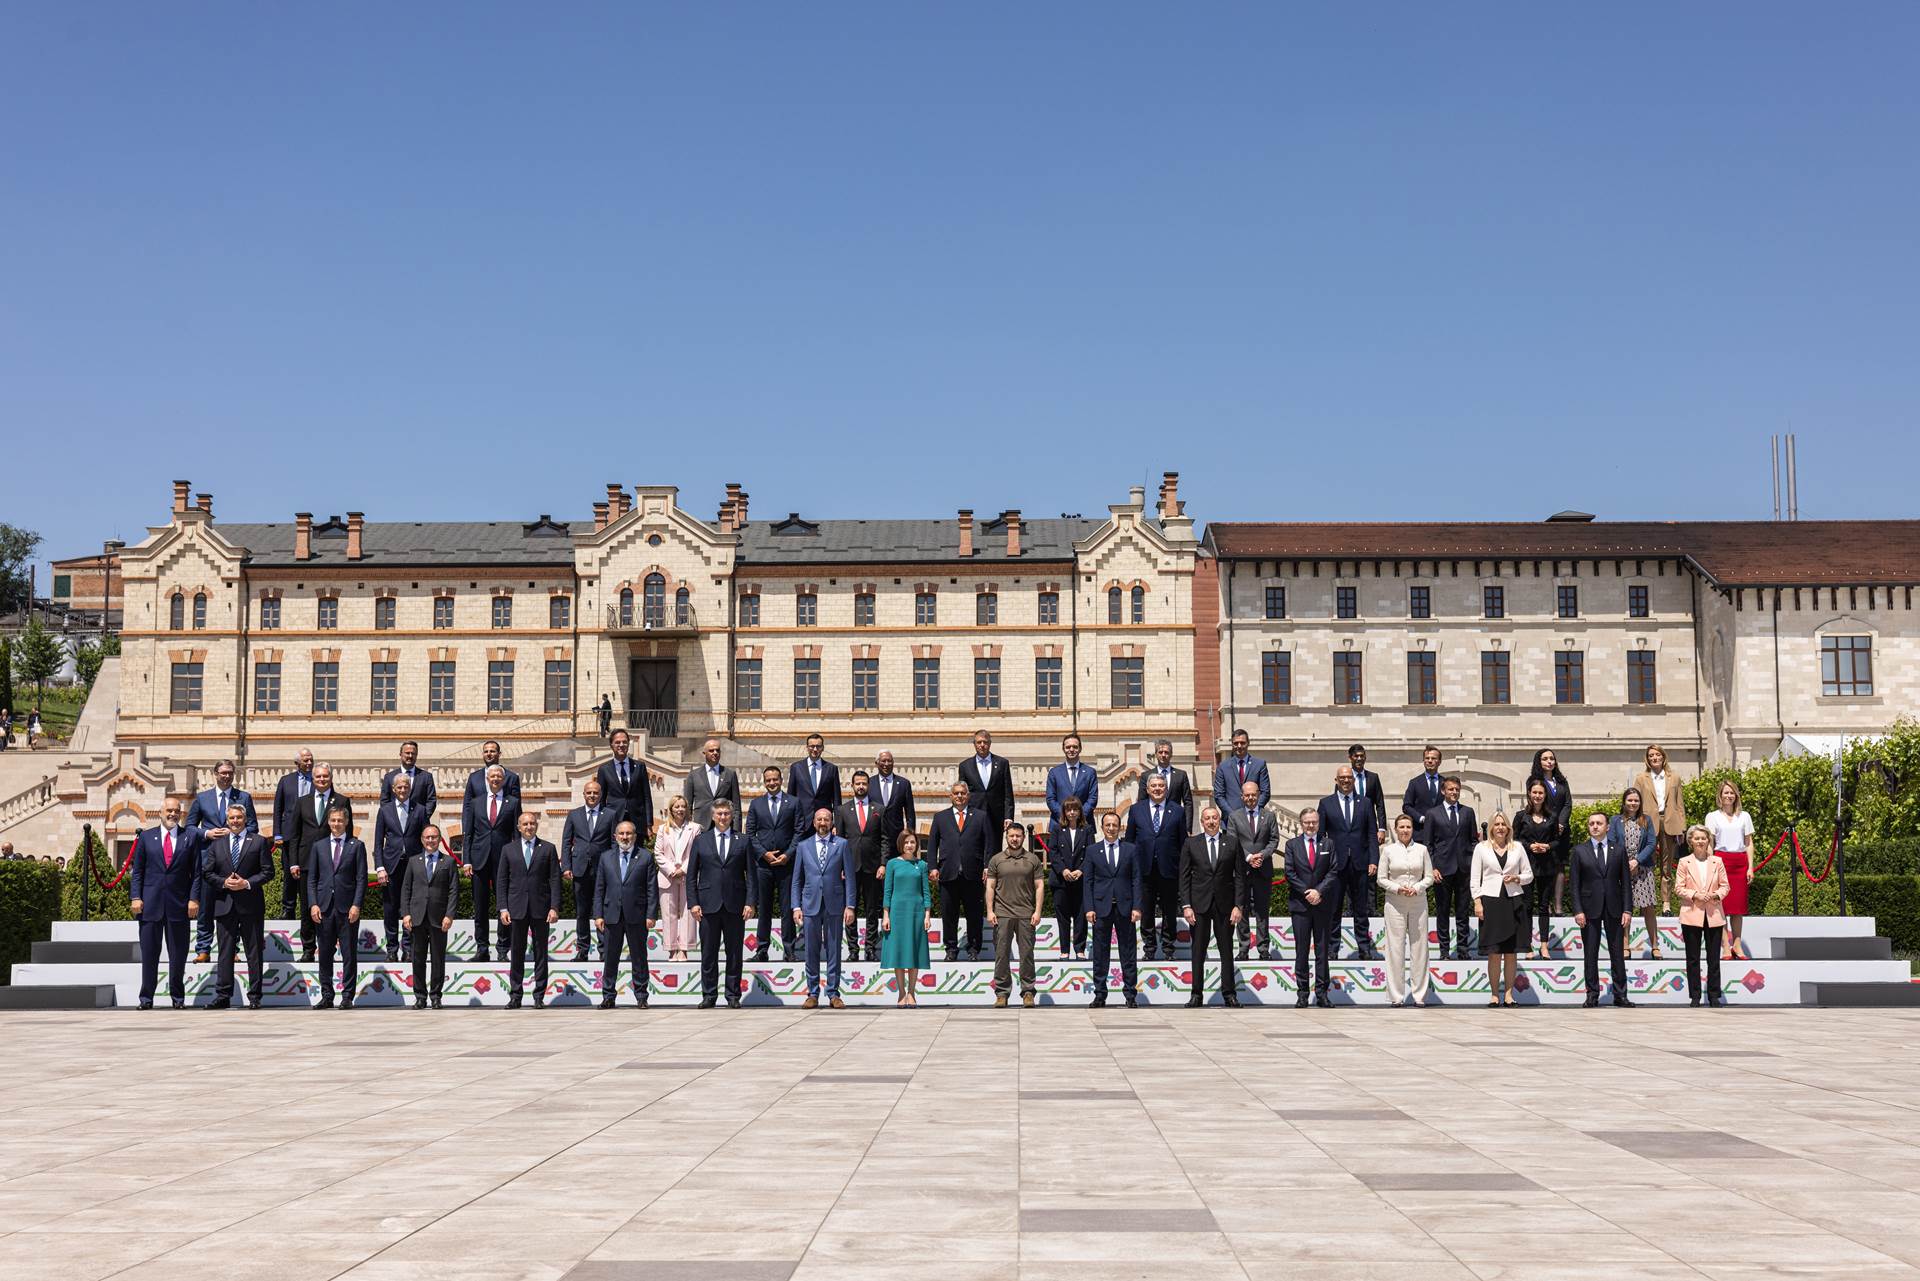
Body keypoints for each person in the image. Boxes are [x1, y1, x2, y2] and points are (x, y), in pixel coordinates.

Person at [129, 797, 202, 1010]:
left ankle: (178, 998)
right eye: (169, 810)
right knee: (150, 955)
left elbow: (196, 873)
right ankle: (146, 999)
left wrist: (193, 899)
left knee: (178, 956)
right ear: (160, 812)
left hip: (179, 906)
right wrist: (135, 897)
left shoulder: (189, 837)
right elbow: (138, 872)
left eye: (176, 811)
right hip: (150, 906)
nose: (172, 814)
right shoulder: (146, 837)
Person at [186, 758, 259, 963]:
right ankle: (203, 949)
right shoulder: (202, 798)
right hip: (209, 860)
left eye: (230, 772)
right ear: (215, 774)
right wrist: (207, 833)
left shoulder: (243, 797)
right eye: (223, 772)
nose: (226, 776)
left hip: (235, 861)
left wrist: (236, 830)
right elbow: (190, 827)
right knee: (206, 907)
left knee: (232, 907)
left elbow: (253, 827)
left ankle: (232, 949)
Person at [200, 801, 269, 1010]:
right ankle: (223, 995)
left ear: (245, 819)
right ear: (227, 820)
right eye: (231, 818)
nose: (235, 821)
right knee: (225, 952)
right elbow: (207, 872)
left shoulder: (258, 842)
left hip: (251, 904)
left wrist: (246, 883)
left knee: (254, 952)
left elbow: (268, 871)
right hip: (225, 904)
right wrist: (224, 882)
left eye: (239, 817)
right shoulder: (217, 844)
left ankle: (255, 996)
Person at [281, 760, 348, 963]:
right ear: (313, 778)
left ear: (331, 778)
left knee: (332, 906)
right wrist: (293, 862)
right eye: (318, 776)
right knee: (307, 907)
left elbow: (349, 834)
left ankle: (329, 947)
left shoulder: (342, 801)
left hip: (333, 863)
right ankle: (308, 948)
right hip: (306, 861)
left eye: (325, 776)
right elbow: (294, 835)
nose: (321, 779)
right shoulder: (302, 801)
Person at [1179, 805, 1245, 1008]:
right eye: (1207, 818)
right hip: (1199, 906)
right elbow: (1184, 877)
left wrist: (1238, 906)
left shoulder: (1232, 843)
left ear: (1219, 820)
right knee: (1198, 951)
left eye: (1214, 818)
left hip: (1225, 907)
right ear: (1201, 821)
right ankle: (1196, 994)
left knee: (1226, 951)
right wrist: (1186, 906)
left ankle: (1229, 994)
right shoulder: (1191, 843)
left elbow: (1240, 877)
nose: (1211, 821)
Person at [688, 801, 752, 1009]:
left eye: (726, 813)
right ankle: (709, 995)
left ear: (732, 816)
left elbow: (751, 874)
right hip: (708, 905)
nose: (723, 817)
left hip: (735, 904)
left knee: (734, 952)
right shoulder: (701, 840)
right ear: (713, 816)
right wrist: (693, 903)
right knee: (708, 953)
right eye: (719, 814)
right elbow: (691, 875)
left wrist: (750, 902)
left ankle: (733, 995)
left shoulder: (742, 840)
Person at [791, 807, 857, 1009]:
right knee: (811, 950)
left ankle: (833, 993)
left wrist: (851, 906)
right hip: (810, 904)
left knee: (834, 950)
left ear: (831, 822)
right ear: (814, 822)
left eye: (826, 819)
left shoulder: (842, 844)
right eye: (819, 819)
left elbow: (850, 878)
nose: (822, 823)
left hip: (834, 904)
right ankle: (812, 992)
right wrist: (796, 906)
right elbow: (796, 880)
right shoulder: (803, 846)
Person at [1568, 811, 1635, 1008]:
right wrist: (1578, 910)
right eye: (1591, 823)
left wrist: (1628, 909)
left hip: (1614, 908)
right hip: (1589, 910)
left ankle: (1620, 995)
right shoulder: (1580, 851)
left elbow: (1625, 882)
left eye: (1599, 823)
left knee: (1617, 953)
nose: (1595, 826)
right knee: (1590, 954)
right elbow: (1574, 884)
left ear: (1607, 827)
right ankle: (1592, 994)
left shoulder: (1619, 850)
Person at [497, 811, 562, 1009]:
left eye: (532, 823)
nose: (529, 827)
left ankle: (539, 996)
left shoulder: (548, 849)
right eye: (525, 824)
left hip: (540, 909)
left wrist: (554, 907)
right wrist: (503, 908)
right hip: (516, 909)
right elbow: (502, 881)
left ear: (537, 825)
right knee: (516, 952)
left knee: (541, 953)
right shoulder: (508, 849)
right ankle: (515, 995)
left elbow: (555, 880)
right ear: (518, 827)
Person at [305, 802, 367, 1010]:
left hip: (347, 908)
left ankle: (347, 995)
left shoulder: (356, 846)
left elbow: (361, 879)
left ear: (347, 822)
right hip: (323, 908)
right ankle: (327, 994)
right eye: (333, 820)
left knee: (349, 953)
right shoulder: (319, 846)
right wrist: (313, 904)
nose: (336, 824)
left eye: (340, 820)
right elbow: (312, 879)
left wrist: (356, 904)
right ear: (328, 822)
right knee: (324, 953)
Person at [595, 819, 660, 1009]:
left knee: (639, 957)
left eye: (629, 833)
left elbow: (651, 889)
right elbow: (599, 888)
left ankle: (641, 996)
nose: (625, 837)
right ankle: (608, 996)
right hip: (612, 915)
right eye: (621, 834)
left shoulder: (645, 857)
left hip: (637, 915)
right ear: (615, 836)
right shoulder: (605, 857)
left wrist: (651, 915)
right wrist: (598, 914)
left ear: (635, 836)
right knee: (610, 958)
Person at [1317, 766, 1379, 961]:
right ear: (1336, 780)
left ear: (1354, 780)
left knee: (1361, 909)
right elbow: (1320, 837)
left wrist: (1373, 860)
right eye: (1342, 778)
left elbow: (1371, 834)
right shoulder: (1326, 803)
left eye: (1348, 777)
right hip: (1335, 865)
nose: (1345, 781)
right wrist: (1322, 863)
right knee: (1334, 909)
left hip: (1360, 864)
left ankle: (1364, 948)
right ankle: (1332, 948)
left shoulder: (1366, 803)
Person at [1470, 813, 1532, 1007]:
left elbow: (1528, 874)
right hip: (1491, 901)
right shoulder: (1481, 848)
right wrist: (1477, 902)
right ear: (1491, 828)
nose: (1500, 827)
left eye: (1503, 824)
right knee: (1494, 952)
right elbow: (1474, 878)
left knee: (1511, 952)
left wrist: (1517, 879)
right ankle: (1494, 994)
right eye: (1496, 824)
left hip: (1513, 901)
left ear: (1508, 828)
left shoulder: (1518, 847)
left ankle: (1509, 994)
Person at [1085, 810, 1144, 1008]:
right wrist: (1089, 908)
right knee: (1100, 954)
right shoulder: (1093, 850)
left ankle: (1130, 995)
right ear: (1102, 828)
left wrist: (1137, 906)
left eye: (1114, 825)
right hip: (1101, 908)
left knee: (1128, 953)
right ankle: (1100, 994)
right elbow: (1088, 881)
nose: (1111, 828)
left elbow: (1137, 879)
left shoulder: (1131, 849)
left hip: (1126, 907)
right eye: (1107, 825)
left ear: (1120, 827)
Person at [462, 764, 521, 961]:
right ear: (487, 779)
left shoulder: (512, 803)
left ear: (503, 780)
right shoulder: (476, 802)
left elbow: (516, 833)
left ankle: (503, 949)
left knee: (503, 905)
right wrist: (466, 860)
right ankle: (482, 949)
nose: (495, 779)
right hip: (479, 860)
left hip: (504, 862)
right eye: (492, 776)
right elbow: (468, 833)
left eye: (499, 776)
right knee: (480, 907)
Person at [1125, 771, 1186, 961]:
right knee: (1147, 911)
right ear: (1147, 789)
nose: (1158, 789)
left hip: (1169, 869)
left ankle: (1168, 949)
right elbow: (1129, 841)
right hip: (1145, 869)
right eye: (1154, 786)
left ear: (1166, 789)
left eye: (1161, 786)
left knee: (1169, 911)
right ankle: (1149, 950)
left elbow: (1183, 842)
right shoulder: (1136, 810)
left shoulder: (1178, 810)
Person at [927, 780, 990, 961]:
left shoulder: (980, 816)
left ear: (968, 796)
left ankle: (973, 949)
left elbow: (988, 844)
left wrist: (987, 866)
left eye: (963, 793)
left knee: (974, 914)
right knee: (949, 913)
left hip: (974, 873)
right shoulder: (940, 818)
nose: (960, 796)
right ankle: (951, 949)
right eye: (956, 793)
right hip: (948, 873)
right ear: (951, 796)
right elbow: (932, 845)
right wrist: (932, 867)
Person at [986, 822, 1046, 1008]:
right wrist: (989, 910)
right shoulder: (996, 860)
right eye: (1011, 835)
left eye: (1018, 836)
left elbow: (1039, 886)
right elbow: (990, 886)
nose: (1014, 839)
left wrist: (1037, 911)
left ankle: (1028, 992)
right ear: (1006, 836)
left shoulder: (1033, 860)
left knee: (1026, 954)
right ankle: (1002, 993)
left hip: (1026, 915)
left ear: (1023, 837)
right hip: (1002, 914)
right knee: (1002, 955)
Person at [1377, 814, 1434, 1008]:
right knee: (1395, 948)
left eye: (1408, 827)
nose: (1405, 830)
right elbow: (1381, 878)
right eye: (1401, 827)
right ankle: (1396, 996)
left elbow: (1429, 877)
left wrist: (1417, 888)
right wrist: (1397, 888)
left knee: (1419, 948)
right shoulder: (1388, 850)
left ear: (1412, 829)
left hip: (1418, 901)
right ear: (1395, 829)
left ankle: (1419, 995)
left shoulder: (1422, 850)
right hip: (1395, 902)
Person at [1283, 808, 1338, 1008]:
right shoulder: (1292, 845)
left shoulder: (1328, 844)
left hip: (1322, 905)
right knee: (1302, 951)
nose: (1310, 825)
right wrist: (1308, 892)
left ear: (1318, 822)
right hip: (1301, 906)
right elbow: (1289, 872)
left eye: (1314, 822)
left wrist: (1319, 892)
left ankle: (1322, 994)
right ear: (1301, 823)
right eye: (1307, 822)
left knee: (1322, 951)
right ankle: (1303, 994)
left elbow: (1333, 870)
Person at [745, 765, 800, 961]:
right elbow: (750, 833)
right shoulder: (756, 804)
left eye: (775, 779)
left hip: (786, 863)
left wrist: (787, 854)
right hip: (764, 865)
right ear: (764, 781)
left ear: (781, 780)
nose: (772, 783)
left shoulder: (793, 802)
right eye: (768, 780)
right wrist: (764, 854)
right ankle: (762, 949)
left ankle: (789, 949)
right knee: (765, 908)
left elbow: (798, 831)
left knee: (787, 908)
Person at [372, 772, 429, 962]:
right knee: (390, 908)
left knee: (411, 907)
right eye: (399, 787)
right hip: (391, 866)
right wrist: (379, 867)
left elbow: (425, 839)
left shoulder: (420, 810)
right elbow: (378, 841)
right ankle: (391, 948)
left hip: (413, 866)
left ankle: (408, 947)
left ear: (410, 789)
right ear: (394, 790)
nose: (403, 790)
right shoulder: (385, 810)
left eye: (406, 786)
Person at [402, 825, 458, 1009]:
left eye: (434, 837)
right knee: (417, 958)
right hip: (417, 917)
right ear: (421, 839)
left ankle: (435, 996)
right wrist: (406, 914)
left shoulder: (448, 862)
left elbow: (453, 891)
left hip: (439, 918)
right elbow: (406, 889)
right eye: (427, 837)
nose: (430, 840)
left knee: (437, 959)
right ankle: (420, 996)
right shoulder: (413, 861)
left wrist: (449, 915)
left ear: (439, 839)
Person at [835, 770, 888, 962]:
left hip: (873, 868)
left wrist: (883, 864)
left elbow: (884, 839)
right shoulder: (842, 810)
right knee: (851, 908)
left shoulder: (879, 809)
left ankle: (871, 948)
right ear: (852, 786)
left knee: (872, 910)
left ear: (869, 785)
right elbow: (839, 840)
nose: (861, 786)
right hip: (849, 868)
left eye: (864, 783)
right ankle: (853, 949)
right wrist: (839, 866)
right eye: (857, 783)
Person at [1675, 825, 1730, 1007]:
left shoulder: (1717, 861)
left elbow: (1725, 886)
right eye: (1697, 838)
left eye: (1703, 838)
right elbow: (1679, 888)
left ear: (1708, 840)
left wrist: (1715, 895)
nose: (1700, 841)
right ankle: (1695, 996)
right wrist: (1695, 895)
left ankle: (1714, 996)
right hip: (1692, 914)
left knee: (1713, 958)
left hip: (1713, 913)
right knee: (1693, 958)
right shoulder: (1684, 862)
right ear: (1691, 841)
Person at [561, 779, 615, 961]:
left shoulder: (610, 814)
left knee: (602, 911)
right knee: (582, 912)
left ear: (601, 795)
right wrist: (566, 866)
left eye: (596, 793)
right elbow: (566, 842)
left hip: (603, 870)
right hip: (580, 869)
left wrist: (614, 867)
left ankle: (604, 950)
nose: (592, 796)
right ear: (584, 794)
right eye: (589, 793)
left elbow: (614, 843)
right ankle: (582, 950)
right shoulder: (574, 815)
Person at [1632, 744, 1689, 916]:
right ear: (1647, 759)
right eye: (1651, 756)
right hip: (1648, 823)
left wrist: (1682, 827)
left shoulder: (1674, 777)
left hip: (1670, 822)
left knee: (1666, 866)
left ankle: (1666, 904)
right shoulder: (1641, 778)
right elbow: (1635, 802)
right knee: (1646, 863)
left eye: (1657, 755)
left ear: (1663, 757)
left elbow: (1680, 804)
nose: (1654, 758)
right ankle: (1645, 902)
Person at [1705, 780, 1757, 960]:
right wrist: (1711, 866)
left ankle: (1737, 945)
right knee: (1721, 907)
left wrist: (1750, 867)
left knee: (1738, 908)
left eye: (1732, 793)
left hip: (1740, 862)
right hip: (1721, 861)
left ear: (1736, 795)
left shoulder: (1745, 816)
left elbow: (1749, 843)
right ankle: (1725, 947)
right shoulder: (1712, 816)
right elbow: (1709, 844)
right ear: (1720, 795)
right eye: (1726, 792)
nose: (1729, 796)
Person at [1227, 780, 1279, 961]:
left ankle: (1263, 948)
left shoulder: (1269, 816)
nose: (1250, 798)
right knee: (1241, 910)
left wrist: (1261, 856)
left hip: (1263, 869)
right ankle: (1243, 948)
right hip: (1242, 870)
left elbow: (1274, 840)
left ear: (1259, 795)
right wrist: (1249, 857)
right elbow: (1233, 841)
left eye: (1253, 794)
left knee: (1262, 911)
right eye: (1247, 795)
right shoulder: (1234, 817)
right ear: (1242, 797)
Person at [271, 749, 315, 953]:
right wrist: (277, 833)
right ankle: (288, 910)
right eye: (306, 760)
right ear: (297, 762)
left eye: (311, 759)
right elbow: (278, 807)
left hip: (310, 833)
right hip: (289, 833)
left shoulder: (318, 779)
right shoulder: (286, 781)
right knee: (290, 873)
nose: (309, 762)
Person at [881, 831, 932, 1006]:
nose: (910, 845)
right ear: (901, 844)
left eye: (912, 842)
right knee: (899, 952)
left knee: (914, 952)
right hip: (897, 913)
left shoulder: (922, 865)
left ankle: (912, 992)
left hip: (916, 912)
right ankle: (901, 993)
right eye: (906, 842)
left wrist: (927, 915)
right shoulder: (892, 864)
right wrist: (886, 915)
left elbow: (926, 891)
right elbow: (887, 891)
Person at [1513, 781, 1563, 961]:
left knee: (1543, 907)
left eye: (1540, 793)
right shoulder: (1520, 816)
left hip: (1546, 866)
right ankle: (1527, 945)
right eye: (1534, 792)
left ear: (1545, 795)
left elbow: (1557, 841)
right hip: (1526, 866)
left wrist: (1547, 846)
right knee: (1526, 906)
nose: (1537, 796)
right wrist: (1530, 846)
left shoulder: (1552, 817)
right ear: (1529, 794)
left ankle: (1544, 945)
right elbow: (1515, 840)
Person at [1610, 787, 1662, 960]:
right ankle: (1625, 945)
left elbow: (1651, 843)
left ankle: (1655, 946)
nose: (1633, 803)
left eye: (1636, 801)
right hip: (1621, 870)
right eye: (1630, 800)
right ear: (1624, 802)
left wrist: (1637, 860)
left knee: (1648, 908)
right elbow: (1611, 842)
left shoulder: (1646, 820)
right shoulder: (1616, 820)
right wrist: (1624, 863)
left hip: (1643, 869)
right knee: (1625, 908)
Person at [1526, 749, 1574, 913]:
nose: (1549, 761)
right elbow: (1536, 803)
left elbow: (1568, 803)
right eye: (1545, 759)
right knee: (1543, 867)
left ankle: (1558, 906)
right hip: (1543, 829)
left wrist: (1561, 823)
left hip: (1561, 831)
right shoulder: (1534, 781)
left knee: (1560, 866)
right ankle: (1540, 905)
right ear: (1539, 762)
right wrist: (1552, 823)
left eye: (1552, 758)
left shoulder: (1561, 781)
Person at [653, 794, 699, 962]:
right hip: (668, 876)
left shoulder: (695, 828)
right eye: (676, 806)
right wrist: (672, 870)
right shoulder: (662, 829)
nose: (680, 809)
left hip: (689, 875)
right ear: (671, 809)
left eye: (683, 806)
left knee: (688, 913)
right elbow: (657, 853)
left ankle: (684, 949)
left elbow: (697, 852)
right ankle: (672, 949)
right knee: (669, 913)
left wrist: (684, 869)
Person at [1047, 795, 1094, 959]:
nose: (1072, 812)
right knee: (1063, 917)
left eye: (1075, 809)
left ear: (1080, 811)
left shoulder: (1087, 830)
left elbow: (1091, 853)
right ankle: (1064, 950)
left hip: (1081, 880)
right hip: (1061, 881)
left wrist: (1081, 870)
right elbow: (1052, 852)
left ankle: (1080, 950)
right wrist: (1063, 870)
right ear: (1064, 812)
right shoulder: (1057, 829)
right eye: (1069, 809)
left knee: (1081, 916)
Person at [959, 729, 1013, 858]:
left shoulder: (1002, 763)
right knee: (974, 847)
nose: (982, 745)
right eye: (979, 742)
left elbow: (1008, 792)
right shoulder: (965, 766)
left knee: (994, 850)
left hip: (996, 815)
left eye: (985, 742)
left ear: (990, 743)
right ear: (974, 744)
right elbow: (961, 794)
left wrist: (1008, 816)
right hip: (973, 814)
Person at [597, 729, 654, 841]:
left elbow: (646, 797)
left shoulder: (640, 766)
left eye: (624, 742)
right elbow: (601, 800)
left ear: (628, 744)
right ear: (611, 745)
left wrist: (649, 824)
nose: (621, 745)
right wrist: (601, 822)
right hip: (614, 821)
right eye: (617, 742)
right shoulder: (604, 770)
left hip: (637, 822)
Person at [1139, 738, 1196, 838]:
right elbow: (1141, 802)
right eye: (1160, 752)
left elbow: (1188, 802)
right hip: (1153, 825)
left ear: (1171, 754)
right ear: (1156, 754)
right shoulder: (1146, 776)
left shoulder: (1181, 775)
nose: (1163, 755)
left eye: (1166, 752)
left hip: (1175, 825)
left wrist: (1187, 828)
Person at [683, 738, 741, 829]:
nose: (715, 753)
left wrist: (737, 830)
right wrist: (687, 828)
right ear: (704, 753)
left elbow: (736, 807)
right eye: (711, 750)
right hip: (701, 826)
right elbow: (687, 805)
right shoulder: (693, 775)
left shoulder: (730, 774)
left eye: (717, 750)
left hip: (724, 825)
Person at [1212, 728, 1270, 815]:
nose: (1239, 746)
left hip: (1254, 818)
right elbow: (1218, 795)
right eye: (1236, 743)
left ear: (1248, 743)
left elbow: (1265, 792)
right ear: (1232, 744)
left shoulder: (1259, 765)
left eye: (1242, 743)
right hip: (1230, 820)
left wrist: (1253, 811)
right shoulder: (1223, 767)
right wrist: (1233, 816)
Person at [1045, 733, 1098, 825]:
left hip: (1084, 823)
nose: (1071, 750)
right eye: (1068, 747)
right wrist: (1065, 816)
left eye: (1075, 747)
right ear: (1063, 749)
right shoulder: (1054, 773)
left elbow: (1092, 798)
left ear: (1080, 749)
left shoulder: (1090, 772)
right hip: (1060, 823)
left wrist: (1079, 816)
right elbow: (1050, 799)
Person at [378, 740, 439, 821]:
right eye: (407, 753)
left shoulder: (426, 777)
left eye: (413, 753)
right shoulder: (389, 777)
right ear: (400, 754)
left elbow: (431, 800)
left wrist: (421, 818)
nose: (410, 756)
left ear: (416, 755)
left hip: (419, 827)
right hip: (395, 827)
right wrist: (393, 819)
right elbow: (384, 801)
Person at [870, 750, 917, 853]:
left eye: (889, 761)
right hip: (875, 838)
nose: (886, 764)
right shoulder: (869, 783)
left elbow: (910, 813)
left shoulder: (904, 784)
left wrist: (909, 834)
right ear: (876, 763)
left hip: (897, 838)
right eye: (883, 761)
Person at [789, 732, 842, 822]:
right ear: (807, 747)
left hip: (824, 821)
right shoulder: (796, 767)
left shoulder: (831, 769)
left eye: (818, 746)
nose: (815, 749)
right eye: (812, 746)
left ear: (823, 748)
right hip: (802, 821)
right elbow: (791, 796)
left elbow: (836, 799)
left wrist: (837, 824)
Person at [1346, 744, 1391, 849]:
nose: (1359, 759)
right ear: (1350, 758)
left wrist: (1382, 828)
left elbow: (1380, 804)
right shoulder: (1344, 778)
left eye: (1362, 756)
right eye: (1356, 756)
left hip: (1370, 826)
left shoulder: (1373, 777)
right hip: (1350, 826)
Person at [1401, 745, 1448, 839]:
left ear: (1439, 762)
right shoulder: (1414, 783)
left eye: (1433, 758)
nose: (1430, 761)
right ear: (1424, 761)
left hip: (1441, 835)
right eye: (1427, 758)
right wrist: (1421, 818)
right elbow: (1406, 806)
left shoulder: (1445, 783)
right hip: (1420, 834)